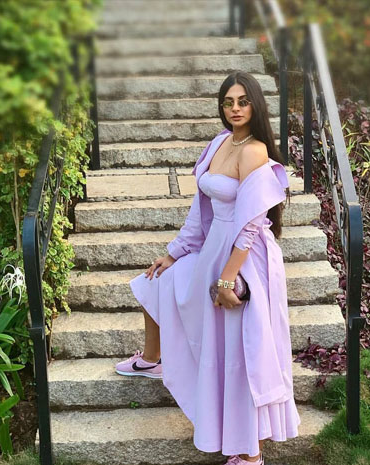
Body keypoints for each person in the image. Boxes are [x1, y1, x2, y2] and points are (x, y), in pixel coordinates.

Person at [116, 71, 300, 465]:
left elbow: (251, 223)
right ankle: (153, 359)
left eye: (243, 101)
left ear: (255, 105)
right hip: (214, 245)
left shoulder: (255, 152)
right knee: (158, 282)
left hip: (244, 257)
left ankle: (250, 454)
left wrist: (227, 278)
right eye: (228, 102)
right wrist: (175, 252)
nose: (235, 109)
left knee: (242, 348)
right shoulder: (219, 142)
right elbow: (201, 209)